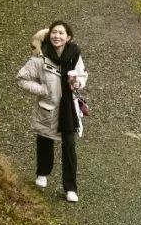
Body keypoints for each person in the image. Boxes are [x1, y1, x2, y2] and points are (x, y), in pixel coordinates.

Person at [15, 21, 88, 202]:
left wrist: (78, 83)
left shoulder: (74, 54)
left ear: (68, 37)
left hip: (68, 109)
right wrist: (42, 90)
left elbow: (82, 74)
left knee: (69, 146)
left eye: (61, 33)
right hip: (47, 108)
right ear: (49, 36)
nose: (57, 36)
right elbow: (21, 78)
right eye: (54, 32)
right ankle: (42, 174)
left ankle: (70, 188)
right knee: (45, 140)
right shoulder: (40, 57)